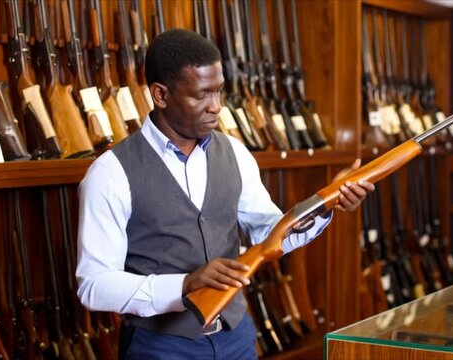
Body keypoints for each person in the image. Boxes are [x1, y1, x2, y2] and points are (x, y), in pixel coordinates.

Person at [76, 29, 374, 359]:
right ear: (160, 95)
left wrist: (327, 201)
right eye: (201, 95)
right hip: (161, 348)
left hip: (236, 338)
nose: (216, 107)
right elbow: (94, 286)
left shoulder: (235, 152)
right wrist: (185, 283)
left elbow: (269, 234)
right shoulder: (110, 173)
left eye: (219, 92)